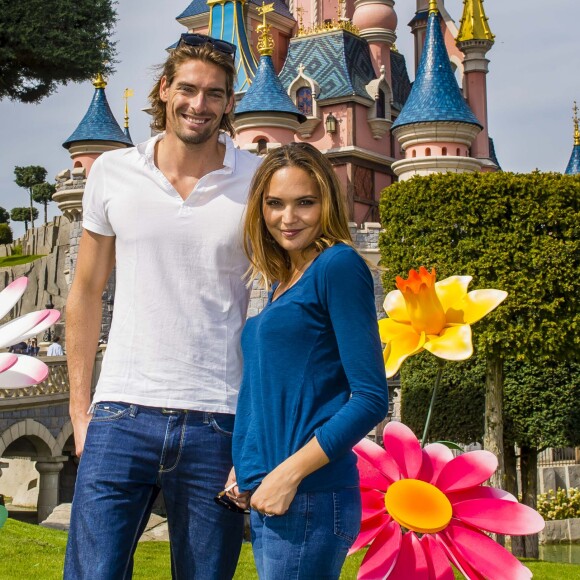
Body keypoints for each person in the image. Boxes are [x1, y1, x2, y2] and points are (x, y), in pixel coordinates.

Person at [64, 34, 262, 579]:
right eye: (189, 90)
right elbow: (83, 292)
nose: (200, 105)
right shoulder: (112, 172)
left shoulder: (257, 180)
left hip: (218, 419)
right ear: (164, 89)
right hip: (121, 411)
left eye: (215, 94)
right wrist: (81, 412)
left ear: (228, 104)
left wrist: (259, 428)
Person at [228, 143, 389, 579]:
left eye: (305, 203)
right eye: (275, 204)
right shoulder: (283, 280)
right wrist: (245, 464)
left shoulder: (337, 266)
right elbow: (267, 390)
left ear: (327, 204)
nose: (288, 217)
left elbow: (371, 398)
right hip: (274, 494)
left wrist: (287, 475)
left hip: (310, 496)